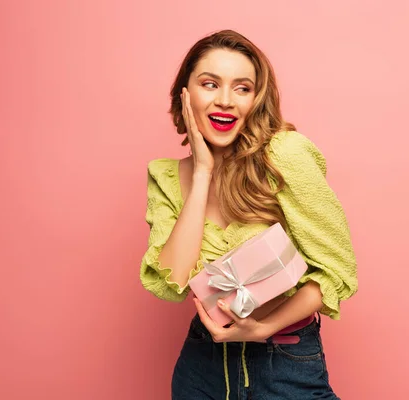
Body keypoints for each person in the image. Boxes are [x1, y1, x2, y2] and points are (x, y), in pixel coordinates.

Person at [139, 29, 358, 400]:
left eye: (242, 88)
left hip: (284, 361)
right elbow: (170, 283)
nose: (226, 101)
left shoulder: (284, 156)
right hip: (202, 367)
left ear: (257, 99)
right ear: (185, 94)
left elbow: (337, 273)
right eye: (210, 84)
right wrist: (204, 172)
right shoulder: (167, 178)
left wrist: (264, 327)